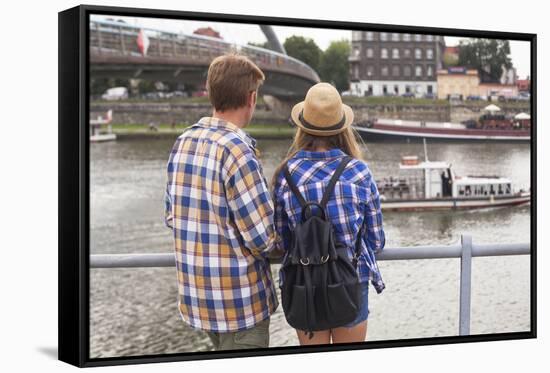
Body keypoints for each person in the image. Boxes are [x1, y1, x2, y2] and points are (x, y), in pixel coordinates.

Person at [164, 54, 278, 351]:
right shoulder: (238, 150)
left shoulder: (183, 142)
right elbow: (263, 238)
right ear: (251, 98)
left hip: (199, 303)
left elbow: (171, 216)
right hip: (239, 307)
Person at [271, 82, 386, 345]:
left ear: (302, 126)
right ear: (342, 127)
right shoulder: (359, 172)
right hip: (351, 280)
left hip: (303, 284)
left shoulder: (285, 174)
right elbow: (376, 241)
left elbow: (281, 241)